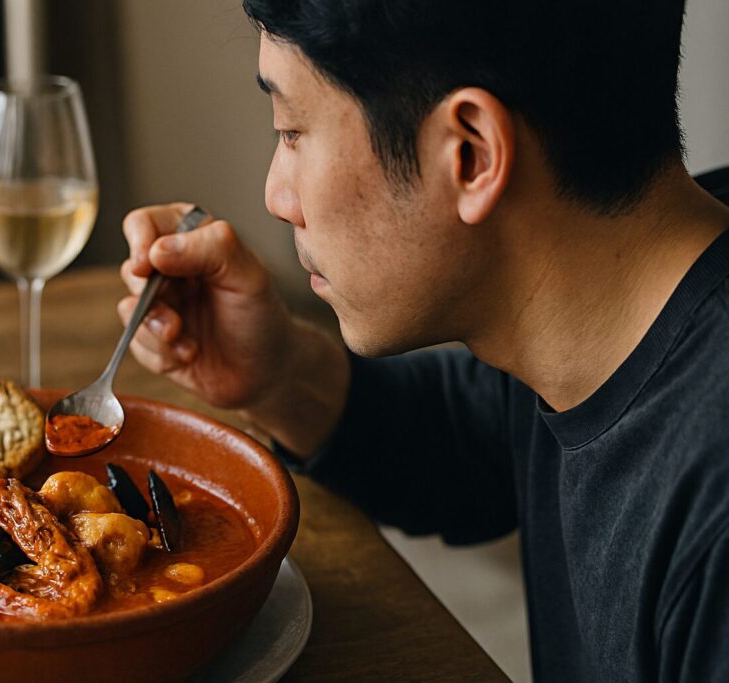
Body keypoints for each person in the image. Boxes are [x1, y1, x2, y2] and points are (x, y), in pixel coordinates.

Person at [117, 1, 729, 680]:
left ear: (470, 154)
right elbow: (476, 442)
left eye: (292, 130)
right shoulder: (600, 312)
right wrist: (280, 373)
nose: (275, 195)